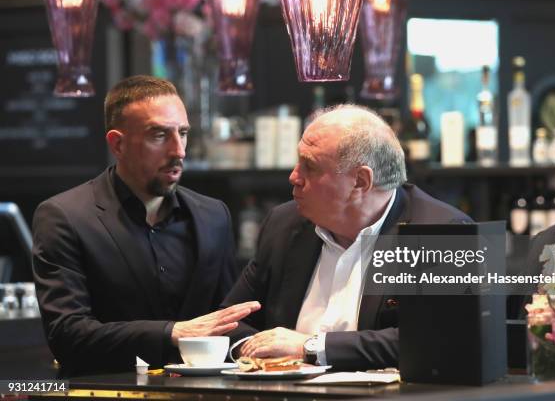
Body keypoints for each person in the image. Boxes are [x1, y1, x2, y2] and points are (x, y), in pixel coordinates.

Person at [32, 75, 260, 376]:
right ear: (118, 144)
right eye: (159, 135)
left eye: (183, 133)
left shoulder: (213, 215)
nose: (178, 150)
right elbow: (68, 334)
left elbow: (231, 318)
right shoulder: (64, 217)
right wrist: (172, 333)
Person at [221, 104, 472, 370]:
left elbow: (434, 339)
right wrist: (256, 355)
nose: (294, 176)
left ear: (361, 181)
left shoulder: (441, 232)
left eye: (310, 167)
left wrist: (311, 347)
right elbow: (229, 322)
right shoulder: (284, 225)